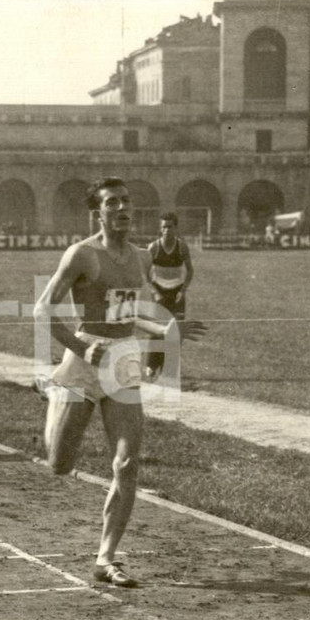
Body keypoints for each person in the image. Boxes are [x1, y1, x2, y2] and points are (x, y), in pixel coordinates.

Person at [34, 176, 207, 588]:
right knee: (60, 464)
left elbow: (127, 314)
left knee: (127, 463)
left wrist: (167, 327)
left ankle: (106, 557)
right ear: (99, 211)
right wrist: (83, 347)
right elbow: (42, 311)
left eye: (127, 201)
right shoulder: (82, 255)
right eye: (113, 202)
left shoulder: (141, 258)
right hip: (84, 358)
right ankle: (55, 389)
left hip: (124, 358)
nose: (123, 209)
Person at [145, 212, 194, 380]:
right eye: (163, 227)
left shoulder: (182, 247)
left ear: (176, 228)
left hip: (177, 292)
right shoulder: (153, 247)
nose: (166, 230)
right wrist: (155, 292)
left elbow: (190, 271)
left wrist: (183, 290)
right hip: (159, 291)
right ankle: (151, 365)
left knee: (177, 330)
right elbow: (144, 273)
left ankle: (169, 368)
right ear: (160, 229)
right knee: (157, 329)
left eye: (170, 227)